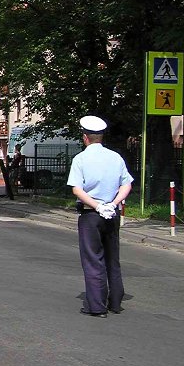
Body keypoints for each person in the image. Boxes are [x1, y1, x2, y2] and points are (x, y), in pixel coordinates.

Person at [66, 116, 133, 317]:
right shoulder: (115, 157)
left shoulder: (81, 159)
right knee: (113, 257)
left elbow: (77, 190)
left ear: (85, 137)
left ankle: (96, 306)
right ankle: (115, 302)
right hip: (112, 214)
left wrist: (97, 205)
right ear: (101, 137)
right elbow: (126, 184)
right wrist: (112, 204)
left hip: (90, 215)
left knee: (93, 259)